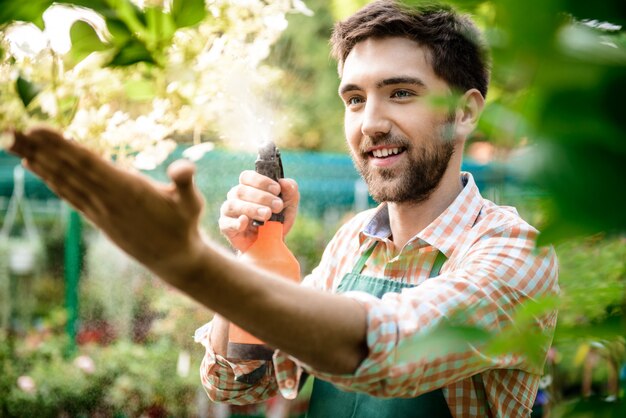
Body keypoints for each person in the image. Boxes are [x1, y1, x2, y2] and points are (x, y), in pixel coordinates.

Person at [7, 0, 558, 416]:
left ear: (464, 114)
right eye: (355, 98)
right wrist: (257, 259)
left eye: (402, 93)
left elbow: (391, 351)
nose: (370, 122)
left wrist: (191, 264)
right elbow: (237, 383)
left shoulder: (516, 252)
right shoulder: (351, 244)